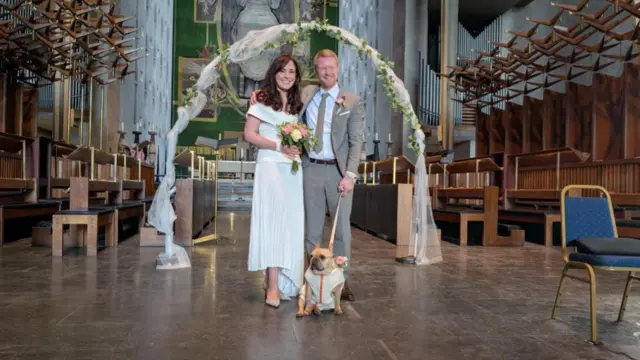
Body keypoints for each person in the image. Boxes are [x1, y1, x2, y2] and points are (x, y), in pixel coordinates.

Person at [251, 49, 364, 301]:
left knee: (342, 232)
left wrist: (350, 175)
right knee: (311, 231)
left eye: (331, 67)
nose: (327, 71)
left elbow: (357, 142)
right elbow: (278, 94)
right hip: (309, 168)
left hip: (338, 172)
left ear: (338, 68)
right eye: (322, 67)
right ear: (316, 71)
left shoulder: (352, 101)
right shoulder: (306, 94)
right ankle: (313, 281)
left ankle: (341, 282)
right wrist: (257, 94)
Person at [244, 54, 306, 308]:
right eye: (283, 70)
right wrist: (278, 145)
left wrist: (295, 148)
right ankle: (271, 286)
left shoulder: (296, 103)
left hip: (292, 170)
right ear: (274, 72)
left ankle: (288, 280)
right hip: (270, 166)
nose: (287, 75)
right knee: (272, 223)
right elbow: (249, 134)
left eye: (292, 71)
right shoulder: (261, 99)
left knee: (290, 224)